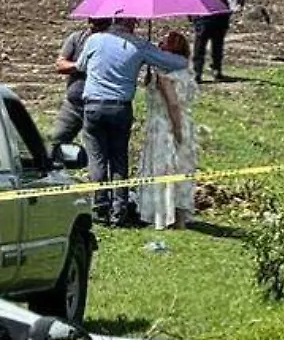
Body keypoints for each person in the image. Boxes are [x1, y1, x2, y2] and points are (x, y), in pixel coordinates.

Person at [76, 18, 190, 227]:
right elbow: (177, 63)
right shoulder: (138, 45)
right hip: (120, 107)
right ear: (132, 24)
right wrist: (148, 54)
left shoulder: (94, 40)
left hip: (92, 105)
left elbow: (81, 65)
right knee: (119, 158)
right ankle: (119, 210)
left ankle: (100, 206)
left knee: (97, 158)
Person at [137, 31, 199, 230]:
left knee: (164, 168)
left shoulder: (164, 75)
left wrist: (177, 128)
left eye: (163, 42)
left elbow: (172, 104)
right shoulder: (187, 71)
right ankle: (180, 217)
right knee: (182, 169)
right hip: (186, 123)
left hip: (165, 126)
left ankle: (162, 216)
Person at [51, 18, 111, 148]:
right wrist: (80, 66)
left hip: (100, 105)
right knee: (55, 140)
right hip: (74, 105)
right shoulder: (77, 38)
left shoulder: (112, 43)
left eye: (100, 23)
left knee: (97, 148)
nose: (94, 25)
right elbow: (60, 65)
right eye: (93, 21)